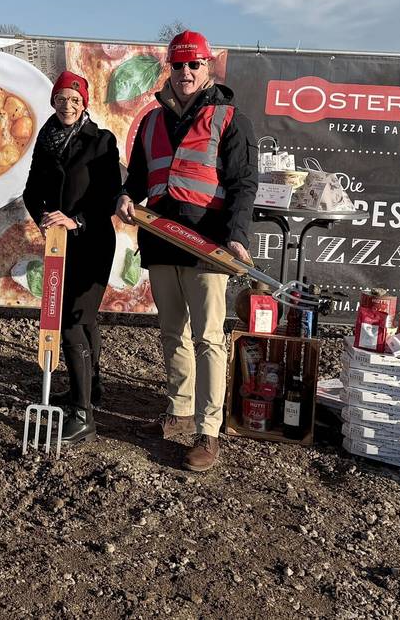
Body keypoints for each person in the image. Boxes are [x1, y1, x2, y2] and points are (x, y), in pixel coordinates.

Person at [117, 30, 257, 472]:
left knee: (209, 339)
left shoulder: (231, 120)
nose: (186, 72)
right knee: (172, 332)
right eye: (178, 65)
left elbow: (242, 185)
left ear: (208, 66)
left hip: (206, 247)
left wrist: (236, 236)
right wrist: (126, 196)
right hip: (161, 242)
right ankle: (179, 411)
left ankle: (208, 430)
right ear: (170, 68)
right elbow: (138, 178)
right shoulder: (150, 122)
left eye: (194, 64)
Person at [22, 70, 121, 445]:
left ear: (84, 104)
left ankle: (83, 417)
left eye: (75, 100)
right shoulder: (46, 138)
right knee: (84, 318)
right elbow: (32, 190)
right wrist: (45, 219)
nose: (68, 105)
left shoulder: (102, 141)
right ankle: (90, 389)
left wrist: (75, 220)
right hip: (59, 244)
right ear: (53, 102)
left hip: (92, 241)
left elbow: (109, 196)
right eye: (61, 99)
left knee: (72, 321)